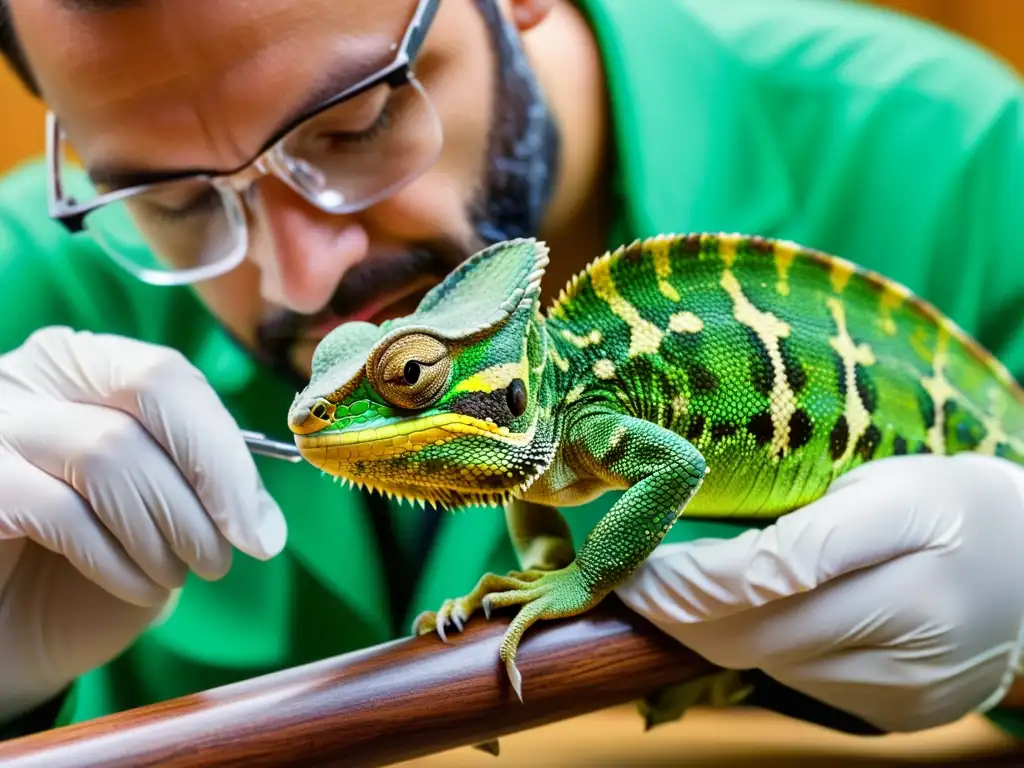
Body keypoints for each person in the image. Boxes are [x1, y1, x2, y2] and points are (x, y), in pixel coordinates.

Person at [1, 0, 1023, 748]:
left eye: (352, 127)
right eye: (174, 203)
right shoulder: (37, 284)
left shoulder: (956, 155)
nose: (303, 274)